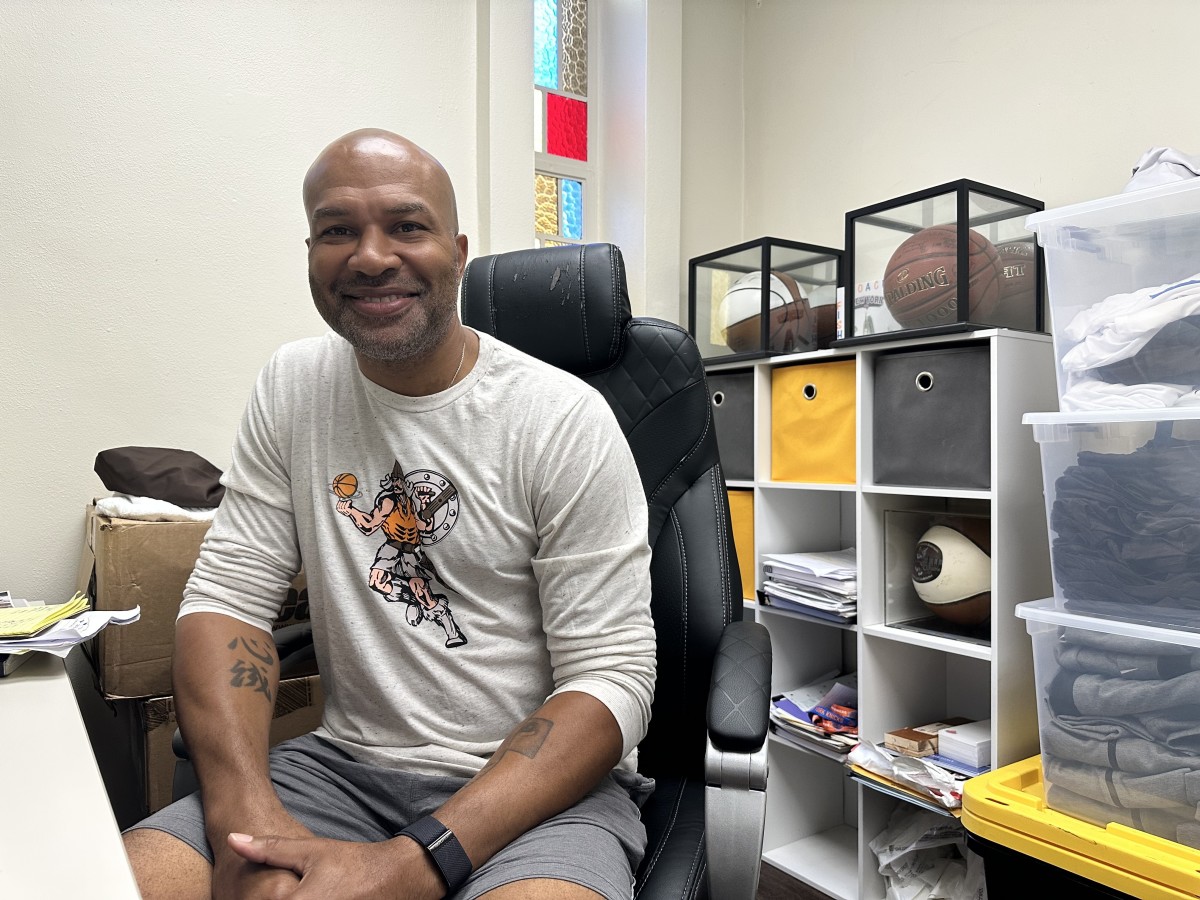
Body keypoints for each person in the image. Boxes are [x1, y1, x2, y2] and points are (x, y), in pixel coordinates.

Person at [122, 128, 657, 900]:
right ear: (311, 252)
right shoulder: (294, 385)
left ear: (459, 250)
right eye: (339, 230)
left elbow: (612, 676)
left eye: (407, 226)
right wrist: (248, 818)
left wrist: (415, 862)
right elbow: (226, 603)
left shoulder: (561, 416)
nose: (371, 256)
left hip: (535, 797)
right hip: (340, 768)